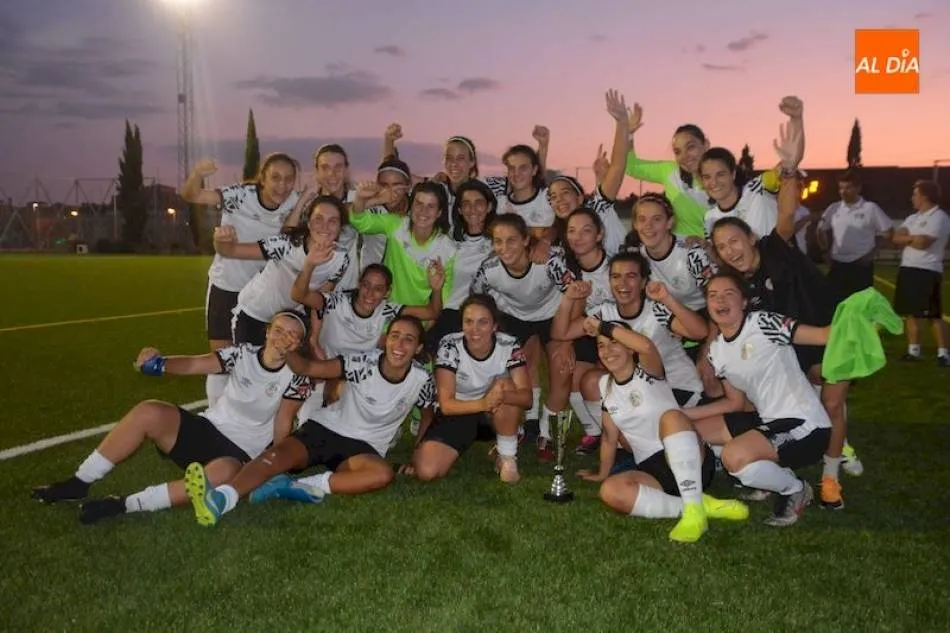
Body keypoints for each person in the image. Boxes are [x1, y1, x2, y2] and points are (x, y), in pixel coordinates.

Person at [707, 97, 860, 508]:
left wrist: (790, 165)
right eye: (722, 247)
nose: (731, 250)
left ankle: (830, 477)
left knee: (831, 401)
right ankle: (790, 463)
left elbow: (788, 211)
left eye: (735, 241)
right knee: (807, 403)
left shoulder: (776, 247)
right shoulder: (738, 284)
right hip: (796, 342)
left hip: (830, 327)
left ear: (750, 238)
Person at [31, 312, 309, 524]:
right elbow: (195, 363)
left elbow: (283, 423)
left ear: (299, 344)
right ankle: (79, 482)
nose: (283, 338)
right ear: (267, 331)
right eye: (279, 330)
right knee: (149, 410)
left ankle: (123, 504)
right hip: (208, 429)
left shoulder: (298, 376)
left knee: (222, 473)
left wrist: (271, 467)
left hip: (241, 453)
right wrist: (158, 364)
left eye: (292, 335)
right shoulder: (241, 355)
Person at [183, 316, 435, 526]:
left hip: (365, 447)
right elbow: (308, 368)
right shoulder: (363, 362)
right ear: (386, 339)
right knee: (277, 456)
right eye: (394, 336)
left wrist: (417, 455)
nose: (399, 344)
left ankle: (296, 485)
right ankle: (222, 499)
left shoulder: (422, 379)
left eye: (409, 339)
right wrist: (288, 350)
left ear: (418, 348)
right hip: (326, 428)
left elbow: (427, 415)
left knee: (382, 474)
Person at [576, 318, 748, 543]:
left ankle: (694, 515)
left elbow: (646, 346)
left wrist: (601, 327)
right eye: (601, 345)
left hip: (691, 459)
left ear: (630, 348)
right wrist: (601, 473)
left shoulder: (648, 370)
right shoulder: (605, 385)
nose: (607, 351)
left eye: (614, 342)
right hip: (652, 470)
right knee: (610, 491)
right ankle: (697, 505)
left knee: (672, 417)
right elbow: (609, 437)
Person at [683, 273, 833, 527]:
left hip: (805, 425)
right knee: (690, 432)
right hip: (767, 420)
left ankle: (794, 488)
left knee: (733, 457)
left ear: (744, 301)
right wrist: (683, 413)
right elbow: (734, 403)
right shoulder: (717, 351)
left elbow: (821, 336)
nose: (720, 300)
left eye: (729, 294)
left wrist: (855, 317)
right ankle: (764, 475)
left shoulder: (763, 323)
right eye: (713, 295)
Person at [179, 154, 301, 406]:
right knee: (222, 357)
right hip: (227, 286)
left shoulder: (293, 202)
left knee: (258, 358)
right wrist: (197, 175)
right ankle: (215, 415)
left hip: (260, 296)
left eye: (289, 179)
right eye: (275, 177)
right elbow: (192, 195)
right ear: (263, 178)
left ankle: (252, 413)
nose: (282, 185)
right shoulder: (240, 196)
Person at [471, 214, 575, 460]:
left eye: (511, 240)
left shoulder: (548, 262)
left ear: (526, 240)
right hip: (515, 315)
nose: (504, 248)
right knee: (512, 368)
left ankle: (545, 432)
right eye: (498, 241)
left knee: (562, 367)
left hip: (552, 313)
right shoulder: (489, 269)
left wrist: (567, 338)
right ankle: (525, 425)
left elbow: (574, 293)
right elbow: (476, 300)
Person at [291, 262, 443, 422]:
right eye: (366, 285)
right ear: (359, 284)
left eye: (378, 289)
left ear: (387, 292)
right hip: (324, 368)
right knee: (307, 419)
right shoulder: (336, 302)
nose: (370, 293)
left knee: (351, 419)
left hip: (358, 377)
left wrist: (437, 289)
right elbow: (298, 295)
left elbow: (431, 312)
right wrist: (310, 263)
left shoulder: (386, 310)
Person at [408, 294, 532, 483]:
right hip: (459, 412)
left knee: (504, 385)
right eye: (468, 322)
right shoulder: (450, 345)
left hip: (492, 412)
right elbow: (446, 405)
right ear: (462, 324)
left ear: (494, 326)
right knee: (427, 471)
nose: (475, 329)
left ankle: (507, 456)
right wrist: (484, 403)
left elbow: (527, 399)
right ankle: (500, 438)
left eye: (483, 322)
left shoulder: (509, 344)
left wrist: (500, 396)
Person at [213, 195, 350, 345]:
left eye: (333, 221)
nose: (325, 226)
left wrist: (314, 337)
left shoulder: (341, 260)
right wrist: (220, 241)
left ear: (340, 227)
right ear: (309, 223)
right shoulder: (286, 245)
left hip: (288, 323)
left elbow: (318, 303)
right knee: (249, 359)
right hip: (255, 314)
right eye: (318, 219)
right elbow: (230, 251)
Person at [349, 181, 458, 307]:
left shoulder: (448, 249)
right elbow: (360, 222)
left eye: (431, 206)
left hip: (418, 315)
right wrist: (361, 199)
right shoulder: (396, 225)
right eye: (419, 203)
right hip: (385, 310)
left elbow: (442, 298)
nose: (423, 211)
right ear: (412, 206)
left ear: (439, 212)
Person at [424, 179, 497, 354]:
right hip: (453, 313)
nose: (472, 209)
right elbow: (436, 282)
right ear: (459, 210)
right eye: (466, 204)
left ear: (489, 207)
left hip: (487, 314)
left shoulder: (499, 241)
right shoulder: (449, 242)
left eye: (479, 203)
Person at [624, 104, 709, 238]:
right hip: (678, 248)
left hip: (715, 248)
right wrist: (628, 133)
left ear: (706, 145)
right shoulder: (670, 171)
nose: (684, 156)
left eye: (690, 147)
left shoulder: (721, 179)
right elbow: (632, 167)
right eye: (678, 152)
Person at [891, 179, 950, 366]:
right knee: (910, 313)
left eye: (915, 194)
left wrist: (908, 238)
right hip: (908, 269)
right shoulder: (912, 218)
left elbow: (924, 242)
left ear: (925, 196)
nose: (912, 198)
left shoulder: (939, 217)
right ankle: (913, 351)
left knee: (933, 315)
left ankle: (943, 354)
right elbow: (896, 237)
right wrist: (913, 238)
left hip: (927, 270)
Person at [290, 144, 360, 290]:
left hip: (345, 291)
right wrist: (301, 202)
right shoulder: (307, 203)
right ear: (317, 171)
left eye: (338, 167)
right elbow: (287, 236)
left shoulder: (358, 199)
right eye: (325, 167)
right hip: (306, 289)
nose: (332, 174)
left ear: (346, 170)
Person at [817, 170, 893, 301]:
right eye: (841, 188)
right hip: (837, 265)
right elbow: (820, 230)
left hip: (860, 265)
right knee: (834, 304)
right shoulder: (833, 208)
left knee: (860, 305)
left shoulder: (870, 208)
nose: (843, 192)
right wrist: (825, 252)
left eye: (848, 188)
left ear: (858, 188)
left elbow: (888, 232)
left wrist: (871, 255)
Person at [359, 158, 413, 269]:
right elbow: (340, 212)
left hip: (403, 276)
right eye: (384, 185)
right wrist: (375, 200)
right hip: (371, 277)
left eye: (396, 185)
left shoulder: (417, 210)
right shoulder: (368, 205)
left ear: (407, 187)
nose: (390, 192)